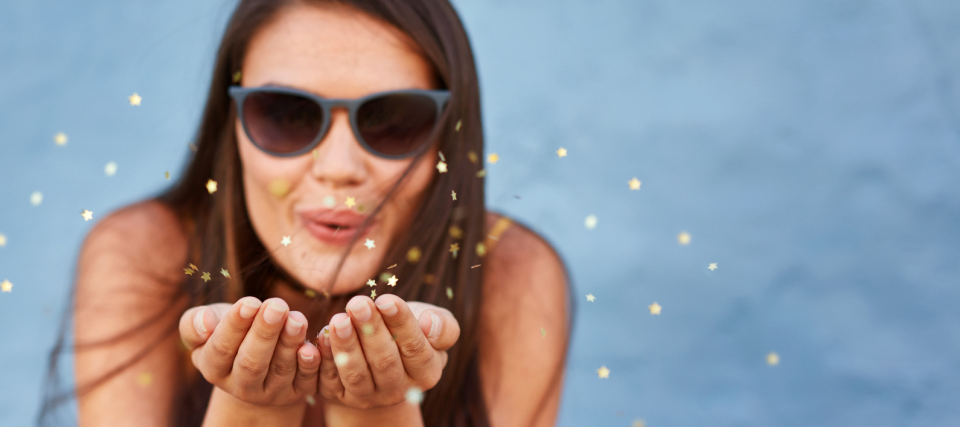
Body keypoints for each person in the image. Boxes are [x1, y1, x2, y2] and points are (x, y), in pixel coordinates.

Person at [42, 0, 571, 425]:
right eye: (287, 115)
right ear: (232, 127)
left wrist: (378, 414)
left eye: (393, 120)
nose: (338, 168)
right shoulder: (146, 254)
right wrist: (252, 409)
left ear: (447, 140)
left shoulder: (509, 272)